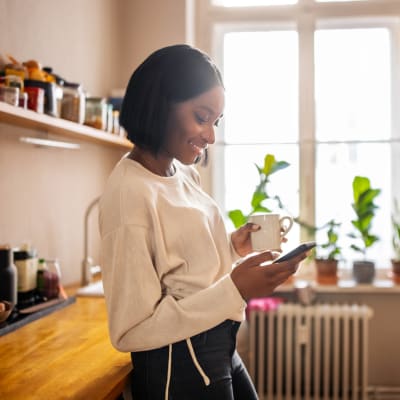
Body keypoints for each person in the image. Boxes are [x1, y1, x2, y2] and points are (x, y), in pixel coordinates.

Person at [99, 44, 308, 400]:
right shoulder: (129, 194)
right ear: (160, 104)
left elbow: (184, 270)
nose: (210, 136)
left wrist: (231, 246)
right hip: (177, 363)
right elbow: (131, 329)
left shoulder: (182, 173)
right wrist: (236, 289)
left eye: (215, 121)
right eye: (201, 116)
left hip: (216, 345)